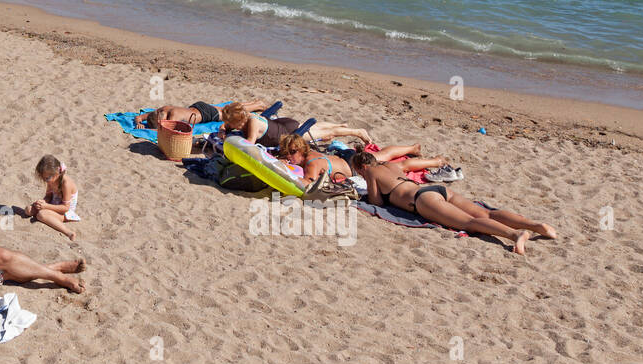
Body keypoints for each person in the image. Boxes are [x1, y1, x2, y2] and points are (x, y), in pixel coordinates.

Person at [349, 152, 555, 255]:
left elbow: (376, 202)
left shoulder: (370, 173)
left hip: (421, 200)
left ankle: (515, 234)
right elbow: (407, 167)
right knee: (486, 213)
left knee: (469, 222)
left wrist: (367, 184)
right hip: (437, 190)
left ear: (362, 167)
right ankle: (535, 225)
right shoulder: (392, 165)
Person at [218, 101, 371, 147]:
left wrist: (227, 141)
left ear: (240, 120)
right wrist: (222, 130)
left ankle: (357, 132)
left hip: (289, 134)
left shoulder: (252, 122)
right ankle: (340, 125)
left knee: (327, 135)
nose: (233, 127)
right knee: (316, 128)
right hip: (283, 124)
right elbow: (225, 125)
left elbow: (248, 144)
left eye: (232, 123)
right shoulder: (243, 117)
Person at [22, 155, 80, 240]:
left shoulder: (66, 184)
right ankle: (47, 213)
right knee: (28, 210)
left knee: (41, 215)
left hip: (65, 213)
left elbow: (66, 208)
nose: (45, 181)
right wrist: (43, 202)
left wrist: (46, 206)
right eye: (44, 178)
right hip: (52, 205)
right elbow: (49, 196)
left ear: (56, 173)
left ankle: (68, 232)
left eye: (47, 178)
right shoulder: (51, 180)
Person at [135, 101, 231, 129]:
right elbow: (138, 117)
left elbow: (166, 131)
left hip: (205, 114)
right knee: (229, 109)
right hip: (198, 106)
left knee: (233, 116)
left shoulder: (173, 116)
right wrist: (138, 123)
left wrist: (151, 128)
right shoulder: (161, 110)